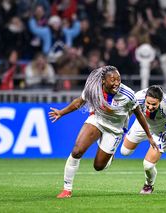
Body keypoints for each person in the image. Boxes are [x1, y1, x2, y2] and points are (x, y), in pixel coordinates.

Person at [48, 65, 158, 198]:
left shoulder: (128, 94)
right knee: (77, 151)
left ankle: (109, 156)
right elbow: (79, 102)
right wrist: (61, 112)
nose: (117, 83)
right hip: (97, 120)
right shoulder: (94, 88)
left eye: (119, 79)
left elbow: (139, 115)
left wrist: (148, 136)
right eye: (113, 80)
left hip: (115, 129)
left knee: (99, 166)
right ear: (103, 81)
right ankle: (67, 189)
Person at [120, 85, 166, 194]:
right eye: (148, 103)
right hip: (142, 124)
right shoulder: (138, 97)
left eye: (154, 104)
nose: (150, 107)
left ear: (160, 101)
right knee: (124, 152)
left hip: (160, 131)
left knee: (148, 165)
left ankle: (149, 185)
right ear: (145, 98)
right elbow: (128, 113)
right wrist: (124, 128)